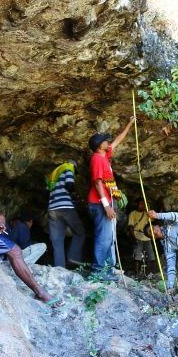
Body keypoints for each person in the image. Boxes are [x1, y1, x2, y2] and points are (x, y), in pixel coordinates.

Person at [87, 116, 135, 281]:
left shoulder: (104, 156)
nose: (108, 142)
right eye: (105, 141)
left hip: (103, 203)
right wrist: (107, 206)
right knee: (103, 237)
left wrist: (129, 124)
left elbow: (117, 141)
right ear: (99, 146)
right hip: (99, 204)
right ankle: (98, 271)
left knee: (108, 237)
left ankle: (106, 269)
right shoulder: (97, 159)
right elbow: (98, 183)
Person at [0, 213, 62, 307]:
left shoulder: (5, 228)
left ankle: (21, 270)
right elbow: (24, 245)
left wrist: (1, 223)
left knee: (17, 251)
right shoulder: (21, 227)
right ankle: (40, 292)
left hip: (6, 250)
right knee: (17, 251)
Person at [46, 160, 86, 267]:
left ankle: (60, 268)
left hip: (52, 208)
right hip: (65, 207)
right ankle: (73, 257)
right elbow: (69, 185)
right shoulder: (68, 167)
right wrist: (75, 195)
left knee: (57, 241)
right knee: (80, 232)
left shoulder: (54, 173)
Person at [127, 200, 156, 276]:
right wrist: (134, 238)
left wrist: (149, 211)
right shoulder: (133, 213)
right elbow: (131, 227)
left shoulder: (147, 214)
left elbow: (153, 222)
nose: (142, 206)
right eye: (141, 204)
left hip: (147, 237)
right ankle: (137, 273)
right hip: (137, 237)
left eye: (144, 204)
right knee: (137, 256)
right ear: (137, 204)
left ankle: (150, 273)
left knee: (151, 256)